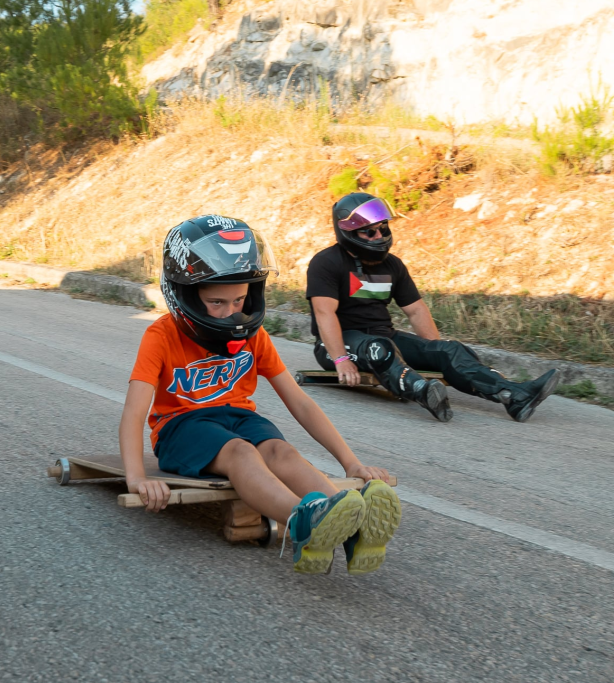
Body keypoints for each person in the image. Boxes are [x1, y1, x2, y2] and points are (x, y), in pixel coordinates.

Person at [120, 215, 401, 575]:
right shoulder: (161, 336)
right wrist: (136, 478)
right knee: (242, 452)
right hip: (180, 426)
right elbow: (133, 411)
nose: (231, 312)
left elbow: (299, 401)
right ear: (185, 296)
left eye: (239, 300)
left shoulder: (254, 336)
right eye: (216, 302)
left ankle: (349, 525)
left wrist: (351, 463)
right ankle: (303, 521)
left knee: (280, 450)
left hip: (239, 418)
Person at [306, 192, 560, 423]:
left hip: (384, 336)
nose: (379, 236)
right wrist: (340, 359)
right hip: (337, 344)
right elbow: (324, 313)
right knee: (378, 349)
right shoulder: (327, 263)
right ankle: (423, 392)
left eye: (383, 229)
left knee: (450, 350)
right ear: (349, 233)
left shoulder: (393, 266)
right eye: (369, 232)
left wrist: (435, 354)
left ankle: (515, 395)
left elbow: (416, 311)